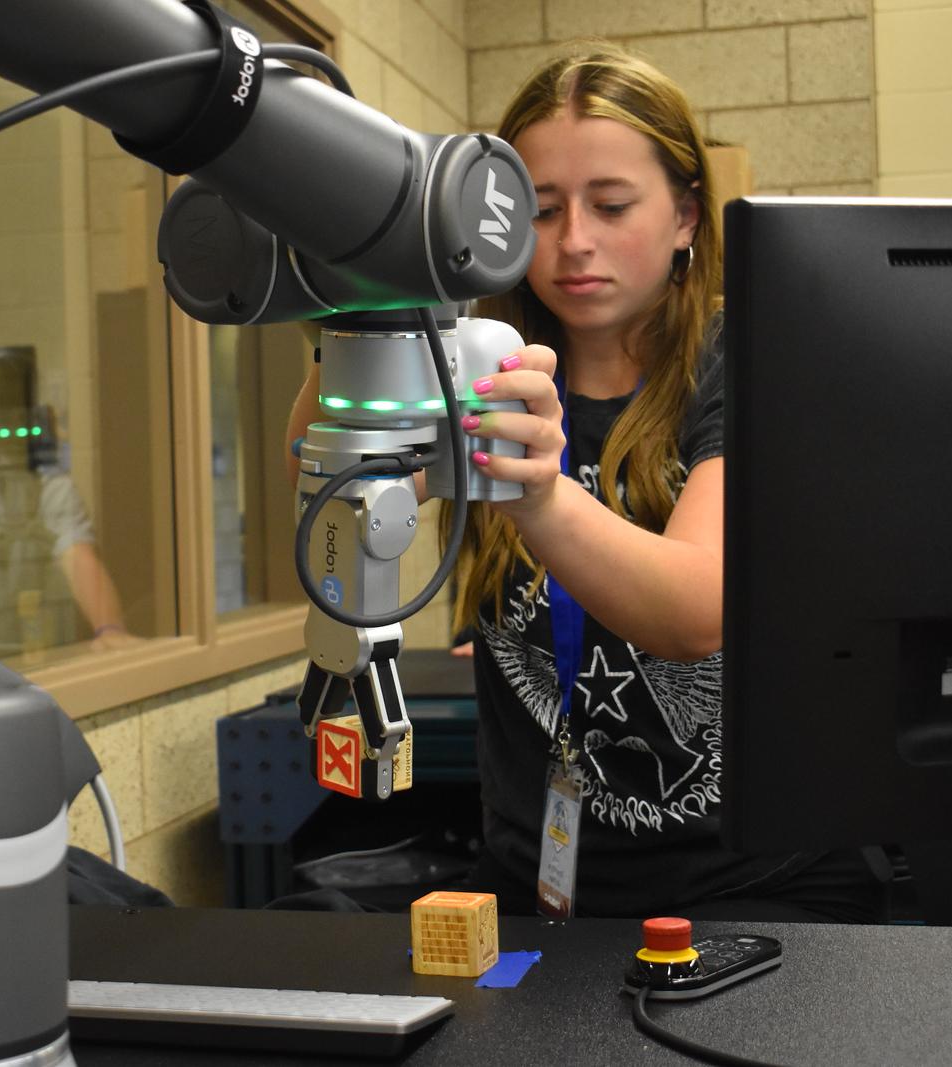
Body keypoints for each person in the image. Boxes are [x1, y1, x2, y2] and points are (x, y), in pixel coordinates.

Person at [286, 46, 884, 922]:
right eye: (537, 210)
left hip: (757, 890)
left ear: (685, 216)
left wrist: (542, 497)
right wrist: (363, 304)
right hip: (547, 888)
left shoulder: (753, 358)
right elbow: (326, 496)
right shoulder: (477, 360)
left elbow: (693, 611)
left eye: (610, 206)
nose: (573, 243)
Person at [0, 342, 136, 658]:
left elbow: (77, 555)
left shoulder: (48, 489)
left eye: (2, 406)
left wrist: (109, 629)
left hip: (13, 653)